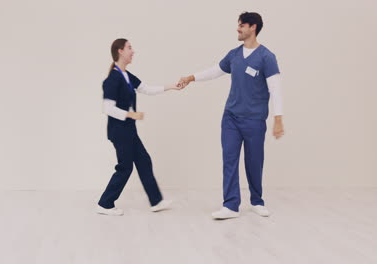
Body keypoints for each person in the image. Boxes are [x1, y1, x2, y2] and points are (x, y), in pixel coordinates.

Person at [178, 12, 285, 219]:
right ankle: (230, 205)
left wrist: (278, 119)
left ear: (253, 27)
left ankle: (256, 201)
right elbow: (215, 71)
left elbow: (276, 89)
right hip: (231, 118)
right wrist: (191, 77)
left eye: (242, 25)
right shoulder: (234, 55)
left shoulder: (266, 57)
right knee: (229, 159)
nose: (238, 29)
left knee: (254, 161)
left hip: (254, 120)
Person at [97, 38, 181, 216]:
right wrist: (130, 114)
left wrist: (171, 86)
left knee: (143, 161)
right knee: (125, 167)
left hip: (128, 131)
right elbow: (108, 108)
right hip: (119, 132)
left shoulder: (127, 76)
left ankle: (156, 201)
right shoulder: (113, 78)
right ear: (120, 51)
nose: (133, 51)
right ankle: (105, 203)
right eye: (129, 48)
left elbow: (146, 89)